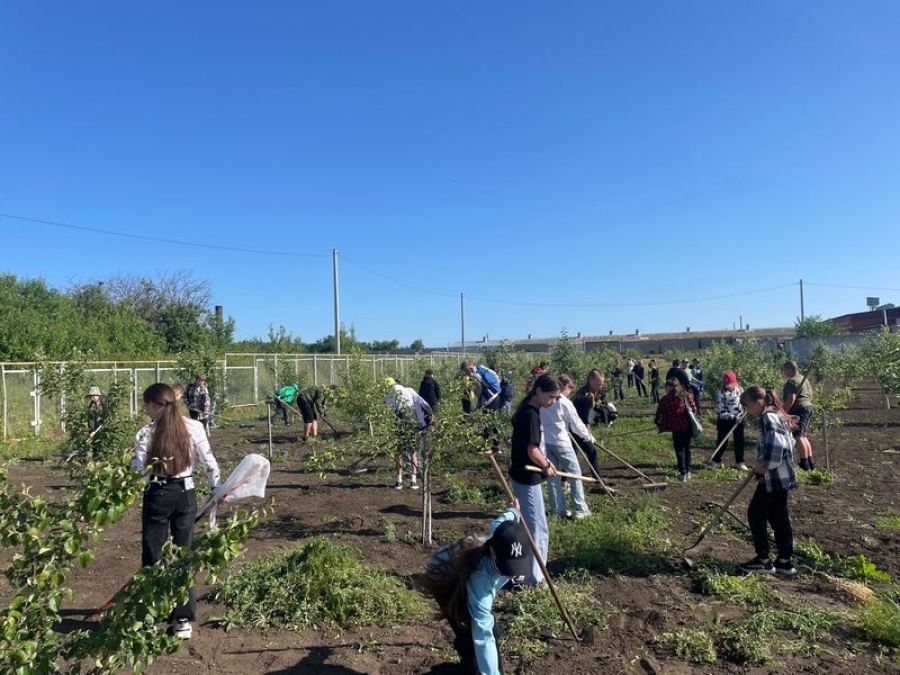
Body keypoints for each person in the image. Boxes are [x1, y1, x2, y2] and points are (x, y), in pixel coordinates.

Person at [131, 383, 221, 640]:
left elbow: (138, 472)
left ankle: (150, 617)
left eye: (146, 404)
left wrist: (132, 468)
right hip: (185, 494)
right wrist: (216, 490)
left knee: (153, 554)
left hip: (158, 494)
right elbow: (209, 460)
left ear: (153, 405)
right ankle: (182, 619)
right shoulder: (194, 427)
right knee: (184, 555)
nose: (145, 409)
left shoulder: (146, 432)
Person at [424, 504, 531, 675]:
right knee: (473, 640)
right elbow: (483, 636)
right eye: (507, 567)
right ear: (493, 552)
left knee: (492, 630)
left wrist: (514, 511)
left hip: (464, 570)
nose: (512, 573)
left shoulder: (500, 534)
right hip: (444, 574)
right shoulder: (480, 580)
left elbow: (501, 522)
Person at [738, 386, 798, 576]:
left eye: (747, 406)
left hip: (773, 477)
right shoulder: (776, 414)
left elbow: (777, 447)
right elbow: (791, 442)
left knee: (755, 513)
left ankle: (763, 560)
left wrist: (763, 466)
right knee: (778, 516)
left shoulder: (768, 418)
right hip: (781, 477)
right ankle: (785, 561)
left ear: (758, 402)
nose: (748, 411)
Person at [507, 374, 560, 585]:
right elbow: (532, 450)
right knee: (537, 528)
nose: (553, 401)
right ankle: (535, 580)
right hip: (527, 478)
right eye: (551, 396)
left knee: (531, 526)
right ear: (538, 391)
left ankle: (526, 571)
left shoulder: (529, 411)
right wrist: (546, 466)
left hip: (524, 475)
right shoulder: (530, 415)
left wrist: (547, 463)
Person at [541, 375, 594, 519]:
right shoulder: (564, 402)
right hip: (561, 442)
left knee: (553, 476)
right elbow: (576, 424)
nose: (570, 391)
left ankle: (558, 510)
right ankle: (580, 510)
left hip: (546, 442)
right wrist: (588, 437)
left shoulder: (541, 400)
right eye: (570, 388)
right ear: (563, 387)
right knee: (575, 474)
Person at [385, 377, 432, 489]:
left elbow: (389, 411)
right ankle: (413, 481)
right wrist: (430, 414)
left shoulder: (389, 394)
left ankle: (399, 482)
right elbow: (422, 403)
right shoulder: (409, 390)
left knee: (399, 451)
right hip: (412, 420)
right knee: (413, 451)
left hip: (400, 421)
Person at [654, 378, 697, 482]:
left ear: (669, 388)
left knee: (680, 450)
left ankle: (682, 473)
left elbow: (659, 412)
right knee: (687, 449)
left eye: (666, 388)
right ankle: (688, 471)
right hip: (687, 427)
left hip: (676, 429)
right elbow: (694, 409)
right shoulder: (686, 395)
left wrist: (658, 422)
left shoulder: (666, 399)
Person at [571, 369, 610, 476]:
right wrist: (588, 434)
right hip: (575, 427)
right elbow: (583, 417)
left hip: (574, 426)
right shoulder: (586, 395)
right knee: (592, 453)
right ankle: (598, 479)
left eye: (602, 384)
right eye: (598, 384)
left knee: (573, 453)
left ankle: (564, 480)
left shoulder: (590, 392)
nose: (600, 386)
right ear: (591, 380)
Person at [708, 371, 747, 469]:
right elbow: (722, 411)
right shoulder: (720, 393)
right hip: (725, 420)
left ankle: (740, 462)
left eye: (731, 384)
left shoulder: (740, 390)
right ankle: (716, 461)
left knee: (739, 441)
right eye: (727, 385)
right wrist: (734, 417)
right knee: (722, 440)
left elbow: (743, 404)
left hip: (739, 419)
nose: (729, 387)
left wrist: (742, 415)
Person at [782, 361, 815, 471]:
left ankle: (804, 464)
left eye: (784, 370)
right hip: (808, 407)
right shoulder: (803, 379)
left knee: (798, 436)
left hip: (799, 409)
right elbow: (811, 393)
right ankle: (810, 462)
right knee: (803, 435)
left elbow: (791, 398)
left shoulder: (791, 382)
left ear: (790, 369)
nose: (784, 373)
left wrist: (783, 412)